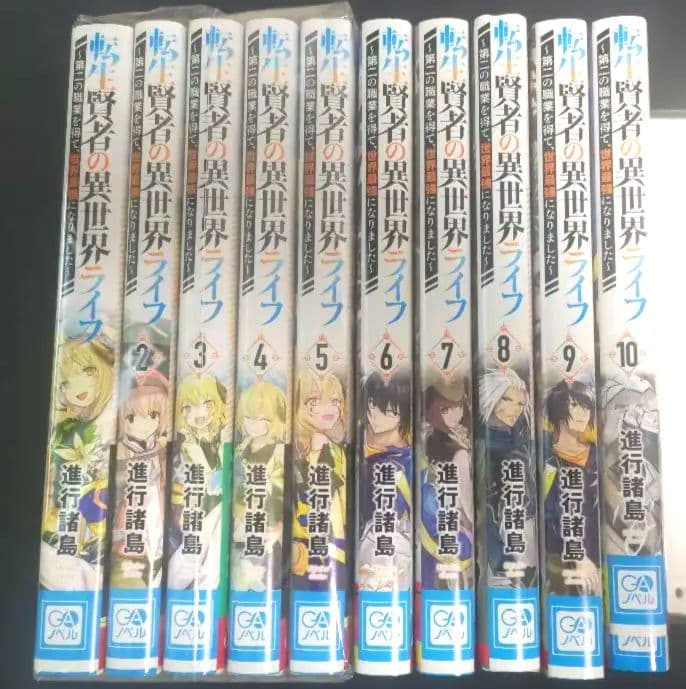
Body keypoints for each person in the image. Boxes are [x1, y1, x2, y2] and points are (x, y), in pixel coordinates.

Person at [41, 336, 115, 590]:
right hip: (69, 527)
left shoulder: (109, 422)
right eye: (66, 383)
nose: (77, 387)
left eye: (88, 372)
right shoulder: (64, 429)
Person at [168, 374, 228, 589]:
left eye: (207, 405)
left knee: (212, 554)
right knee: (191, 554)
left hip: (219, 510)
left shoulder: (223, 439)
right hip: (194, 512)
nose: (199, 414)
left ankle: (204, 585)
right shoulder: (183, 445)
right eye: (188, 408)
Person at [478, 367, 536, 586]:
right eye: (507, 400)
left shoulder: (523, 442)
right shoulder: (477, 440)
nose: (514, 410)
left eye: (520, 404)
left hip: (520, 527)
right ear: (492, 397)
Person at [542, 380, 601, 595]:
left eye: (586, 407)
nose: (582, 413)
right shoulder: (546, 460)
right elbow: (546, 512)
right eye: (575, 405)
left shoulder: (596, 456)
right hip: (560, 560)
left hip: (595, 558)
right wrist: (578, 555)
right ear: (557, 409)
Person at [111, 372, 169, 587]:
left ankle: (155, 565)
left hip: (156, 507)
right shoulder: (121, 451)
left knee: (156, 537)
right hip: (131, 507)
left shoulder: (161, 448)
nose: (143, 424)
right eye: (132, 418)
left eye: (153, 415)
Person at [291, 370, 347, 589]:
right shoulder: (295, 453)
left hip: (334, 547)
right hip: (300, 547)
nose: (329, 409)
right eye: (315, 402)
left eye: (335, 401)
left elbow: (342, 502)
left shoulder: (339, 453)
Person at [358, 369, 412, 591]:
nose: (375, 415)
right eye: (372, 404)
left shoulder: (406, 460)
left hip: (387, 551)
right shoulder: (357, 441)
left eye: (388, 412)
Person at [231, 380, 287, 592]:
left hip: (269, 531)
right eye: (249, 417)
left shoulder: (280, 453)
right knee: (241, 577)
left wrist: (280, 525)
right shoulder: (240, 449)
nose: (254, 424)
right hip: (241, 528)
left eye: (263, 419)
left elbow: (288, 494)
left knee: (266, 580)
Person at [419, 379, 474, 590]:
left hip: (430, 531)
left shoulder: (429, 443)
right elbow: (468, 505)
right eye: (445, 409)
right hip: (451, 532)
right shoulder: (459, 453)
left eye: (458, 407)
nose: (455, 414)